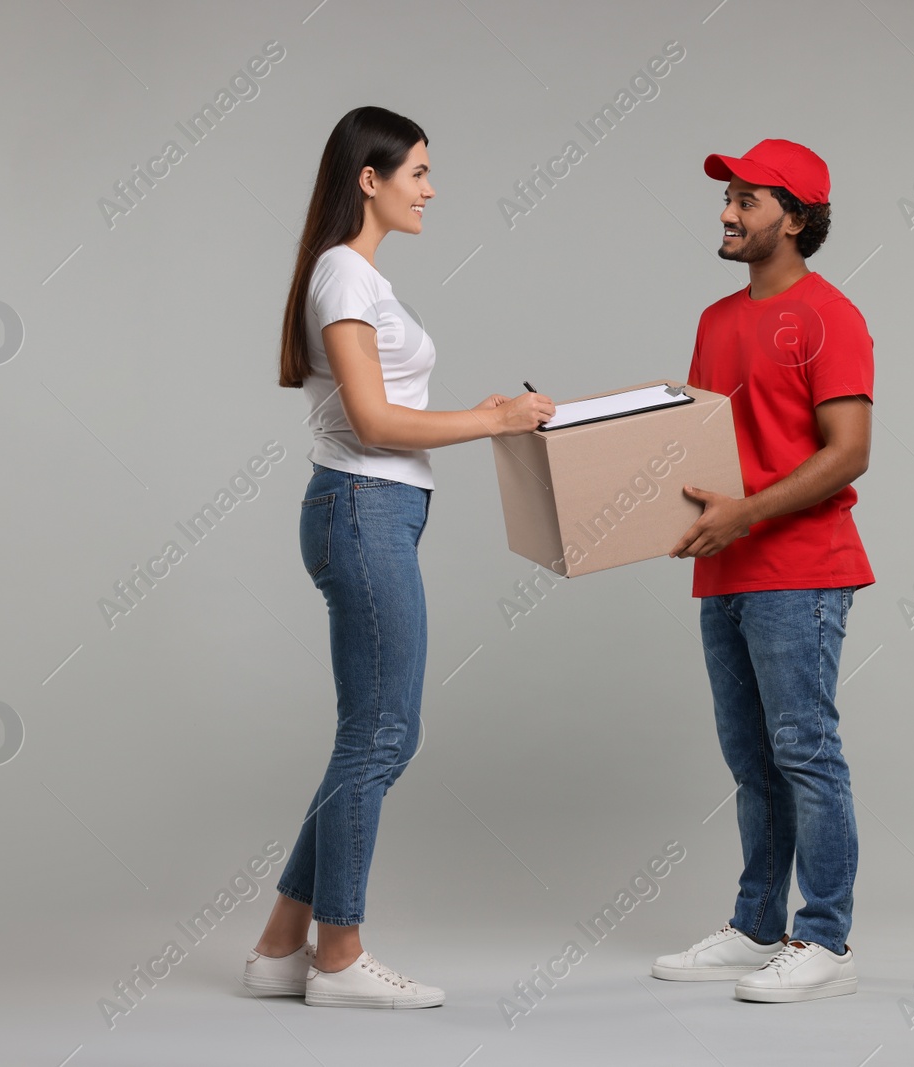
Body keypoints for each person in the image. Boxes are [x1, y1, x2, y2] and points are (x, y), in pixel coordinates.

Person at [242, 106, 554, 1009]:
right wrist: (492, 421)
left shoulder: (360, 277)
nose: (430, 187)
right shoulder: (344, 272)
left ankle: (276, 949)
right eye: (417, 170)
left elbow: (387, 407)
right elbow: (375, 425)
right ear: (368, 179)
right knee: (381, 732)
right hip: (362, 510)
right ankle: (337, 957)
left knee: (372, 732)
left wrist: (484, 409)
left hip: (376, 512)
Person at [652, 139, 875, 1003]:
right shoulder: (716, 320)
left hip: (799, 568)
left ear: (797, 215)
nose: (727, 212)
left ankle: (826, 940)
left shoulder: (832, 316)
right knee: (752, 760)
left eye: (746, 198)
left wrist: (747, 511)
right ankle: (755, 927)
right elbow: (700, 442)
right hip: (725, 569)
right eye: (728, 197)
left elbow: (850, 451)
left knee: (805, 750)